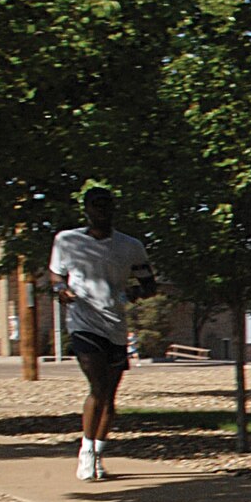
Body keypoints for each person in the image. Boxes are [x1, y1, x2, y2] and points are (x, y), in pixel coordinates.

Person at [49, 186, 154, 481]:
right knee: (97, 385)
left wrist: (130, 293)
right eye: (96, 205)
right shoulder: (67, 241)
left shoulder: (130, 245)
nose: (101, 210)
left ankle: (98, 452)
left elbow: (149, 284)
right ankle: (85, 452)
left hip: (115, 325)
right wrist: (60, 289)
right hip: (83, 322)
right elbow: (56, 274)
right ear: (86, 209)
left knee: (109, 394)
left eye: (106, 205)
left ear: (113, 209)